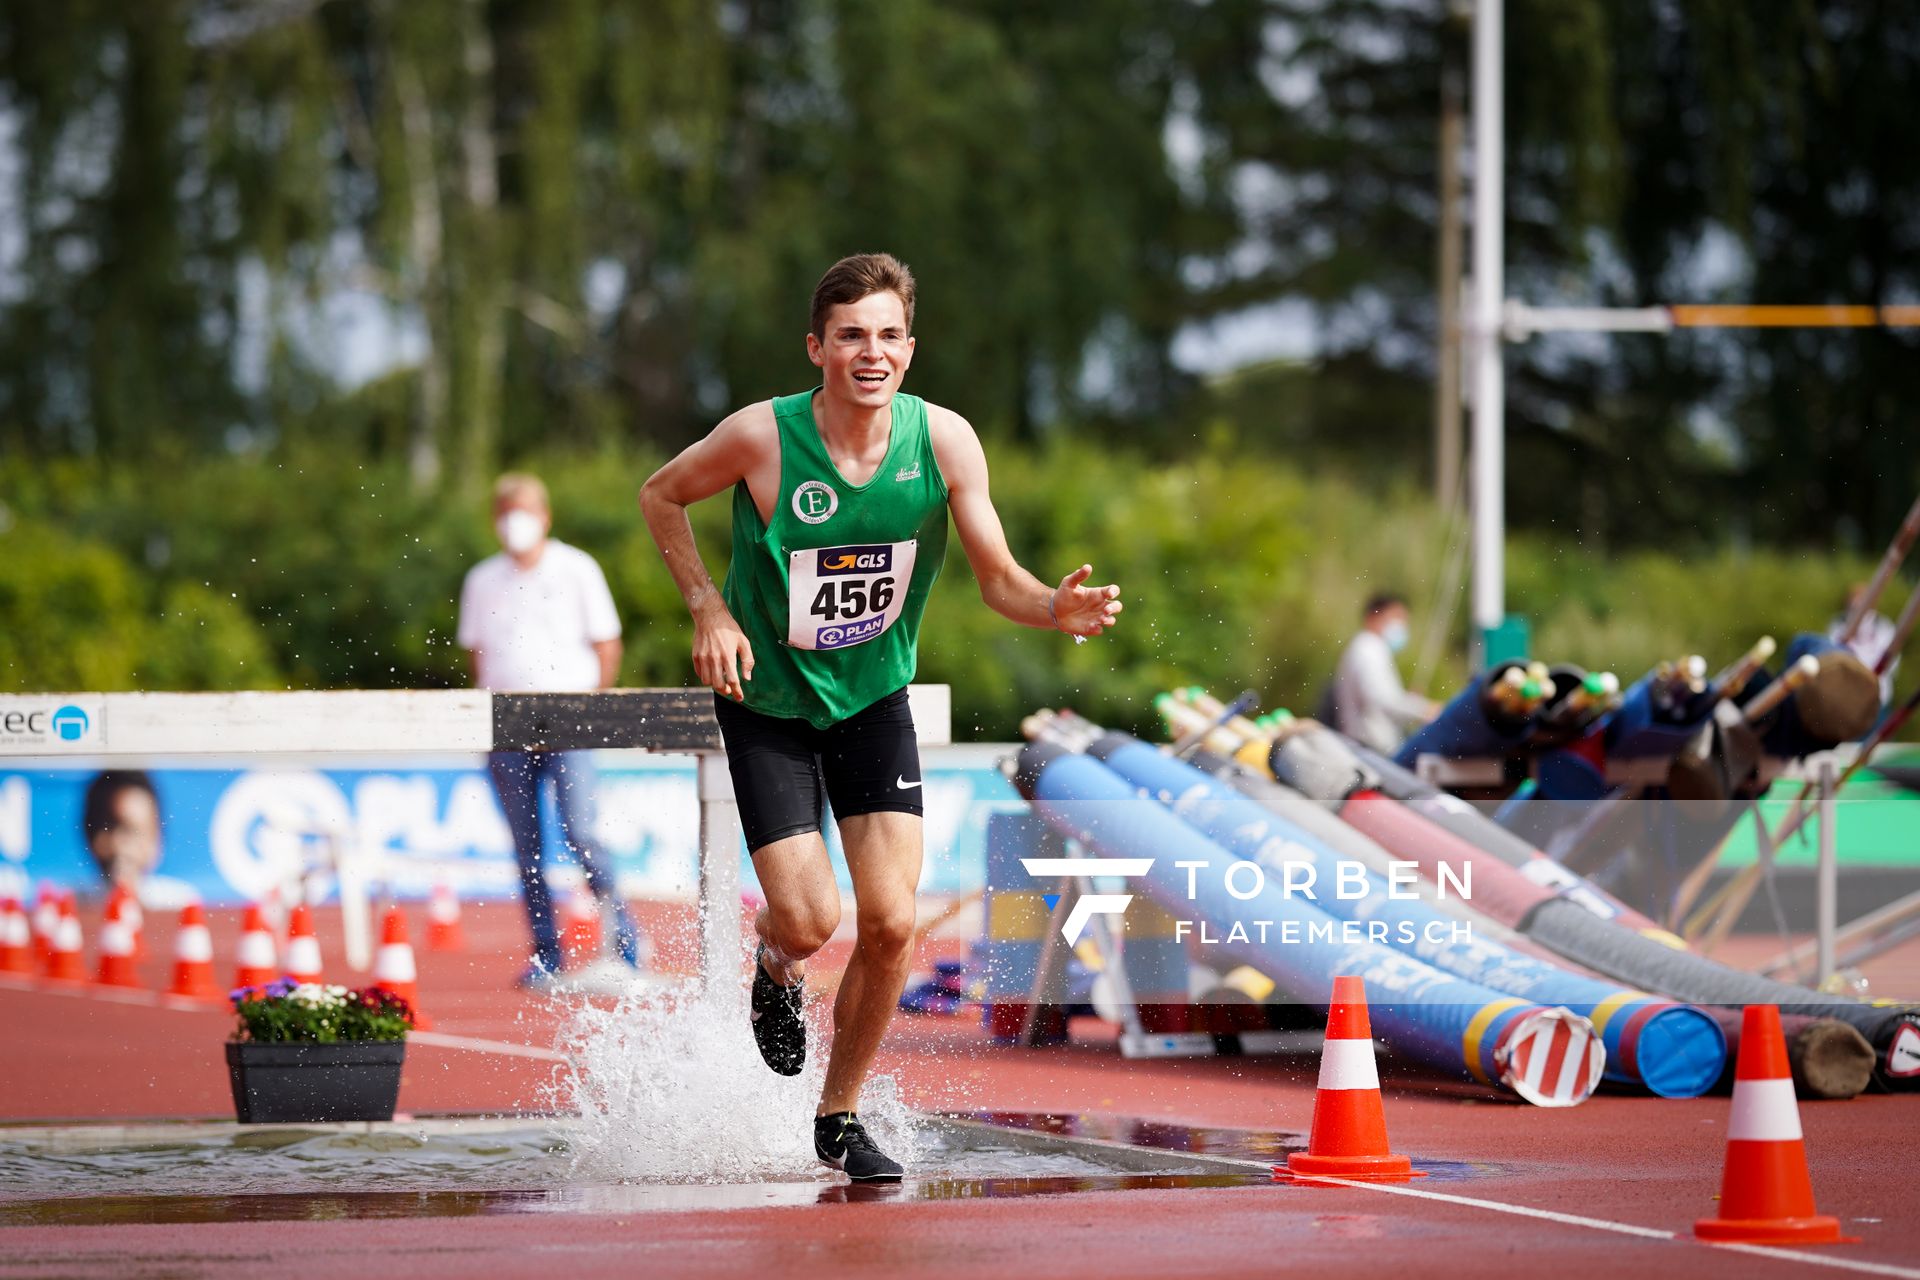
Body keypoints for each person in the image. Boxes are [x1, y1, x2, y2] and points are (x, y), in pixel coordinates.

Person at [638, 253, 1122, 1182]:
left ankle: (840, 1113)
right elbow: (661, 493)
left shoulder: (944, 443)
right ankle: (777, 969)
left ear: (910, 348)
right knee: (812, 919)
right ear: (817, 347)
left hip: (872, 702)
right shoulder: (762, 437)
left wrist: (1054, 610)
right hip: (768, 704)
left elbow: (1000, 580)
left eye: (889, 336)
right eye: (852, 335)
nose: (873, 352)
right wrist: (709, 606)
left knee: (894, 923)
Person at [457, 472, 644, 990]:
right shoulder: (481, 579)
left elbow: (608, 643)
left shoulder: (576, 568)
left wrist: (594, 710)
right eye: (506, 512)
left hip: (570, 718)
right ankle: (546, 953)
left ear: (545, 516)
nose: (514, 522)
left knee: (582, 833)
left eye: (524, 511)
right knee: (526, 848)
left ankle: (624, 941)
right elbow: (477, 652)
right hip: (506, 723)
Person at [1330, 592, 1437, 754]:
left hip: (1369, 747)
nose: (1401, 625)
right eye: (1396, 618)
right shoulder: (1368, 648)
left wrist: (1409, 702)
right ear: (1374, 616)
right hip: (1370, 749)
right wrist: (1425, 709)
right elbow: (1382, 699)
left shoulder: (1370, 648)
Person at [1829, 583, 1898, 707]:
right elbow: (1832, 657)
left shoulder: (1884, 627)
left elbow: (1891, 664)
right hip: (1845, 697)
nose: (1859, 606)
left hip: (1877, 698)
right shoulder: (1838, 625)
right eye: (1855, 603)